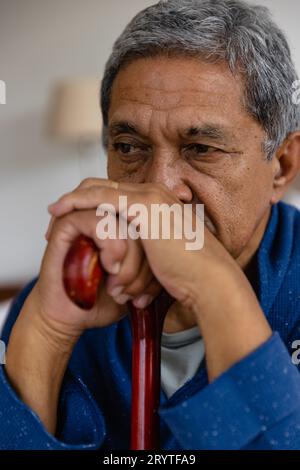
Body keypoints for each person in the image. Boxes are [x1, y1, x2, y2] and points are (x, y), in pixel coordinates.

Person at [1, 0, 300, 450]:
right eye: (128, 146)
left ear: (282, 165)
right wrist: (44, 334)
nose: (159, 190)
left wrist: (215, 290)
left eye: (201, 148)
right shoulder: (63, 290)